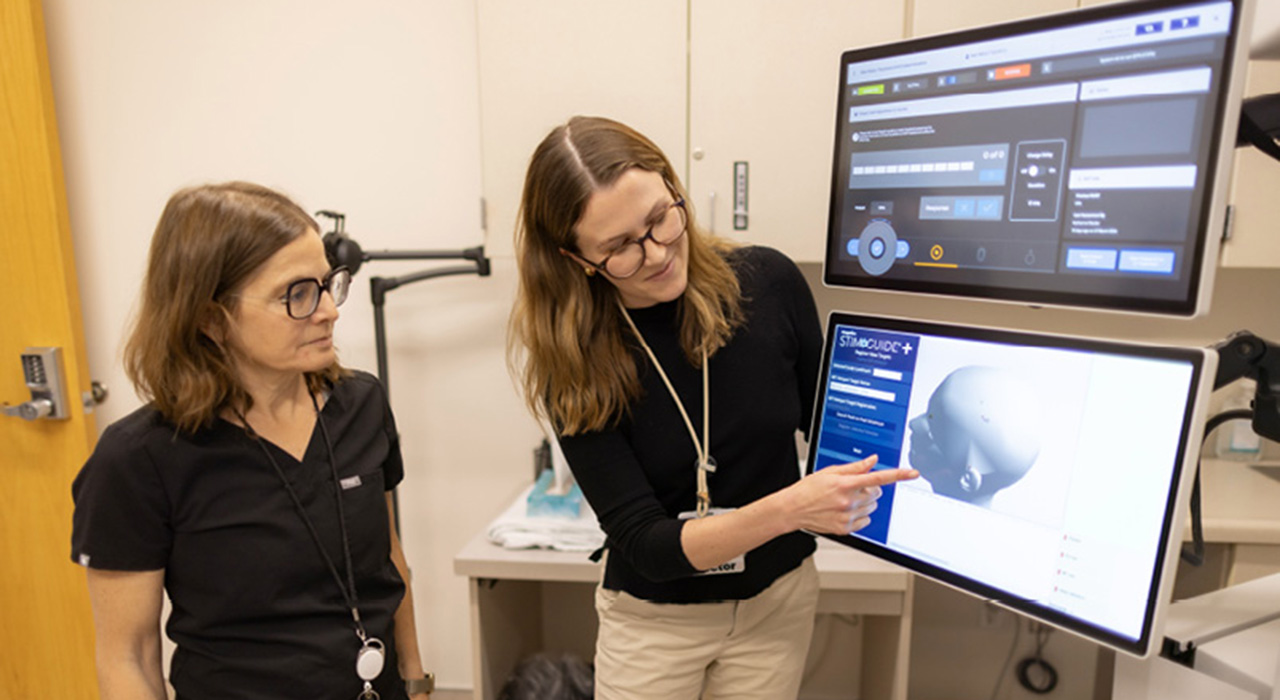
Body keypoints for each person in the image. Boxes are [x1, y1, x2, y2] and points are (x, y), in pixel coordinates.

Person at [508, 116, 920, 700]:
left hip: (776, 604)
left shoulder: (768, 284)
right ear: (577, 259)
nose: (654, 254)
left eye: (659, 219)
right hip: (654, 621)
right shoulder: (573, 359)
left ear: (674, 187)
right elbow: (648, 546)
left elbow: (839, 432)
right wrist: (790, 508)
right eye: (620, 247)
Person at [70, 182, 434, 700]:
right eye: (298, 294)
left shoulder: (360, 404)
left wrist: (417, 680)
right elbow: (128, 658)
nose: (329, 309)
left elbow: (389, 560)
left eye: (328, 283)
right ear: (211, 319)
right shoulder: (138, 459)